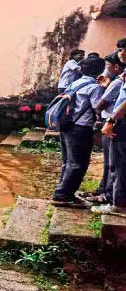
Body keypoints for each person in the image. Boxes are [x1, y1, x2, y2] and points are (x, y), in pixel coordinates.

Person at [52, 56, 105, 207]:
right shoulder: (94, 87)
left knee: (67, 161)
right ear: (99, 70)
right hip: (81, 128)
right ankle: (63, 196)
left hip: (67, 125)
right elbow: (98, 108)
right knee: (78, 163)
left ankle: (62, 192)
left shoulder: (75, 83)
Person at [87, 52, 125, 205]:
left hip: (112, 122)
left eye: (107, 66)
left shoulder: (117, 83)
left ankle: (109, 195)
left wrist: (106, 119)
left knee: (113, 163)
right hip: (113, 122)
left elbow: (99, 105)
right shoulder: (117, 81)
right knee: (112, 162)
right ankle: (105, 191)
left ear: (116, 67)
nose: (105, 70)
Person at [98, 39, 126, 216]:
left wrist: (111, 120)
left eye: (124, 49)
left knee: (119, 165)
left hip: (121, 123)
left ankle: (118, 204)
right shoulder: (122, 76)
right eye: (120, 50)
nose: (121, 53)